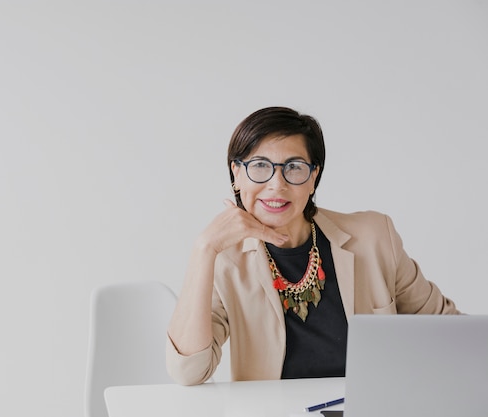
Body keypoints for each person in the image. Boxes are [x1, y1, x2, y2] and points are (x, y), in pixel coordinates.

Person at [166, 106, 460, 386]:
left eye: (293, 168)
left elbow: (449, 332)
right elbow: (189, 371)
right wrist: (204, 249)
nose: (276, 184)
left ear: (313, 177)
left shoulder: (374, 237)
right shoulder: (225, 260)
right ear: (237, 175)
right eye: (259, 166)